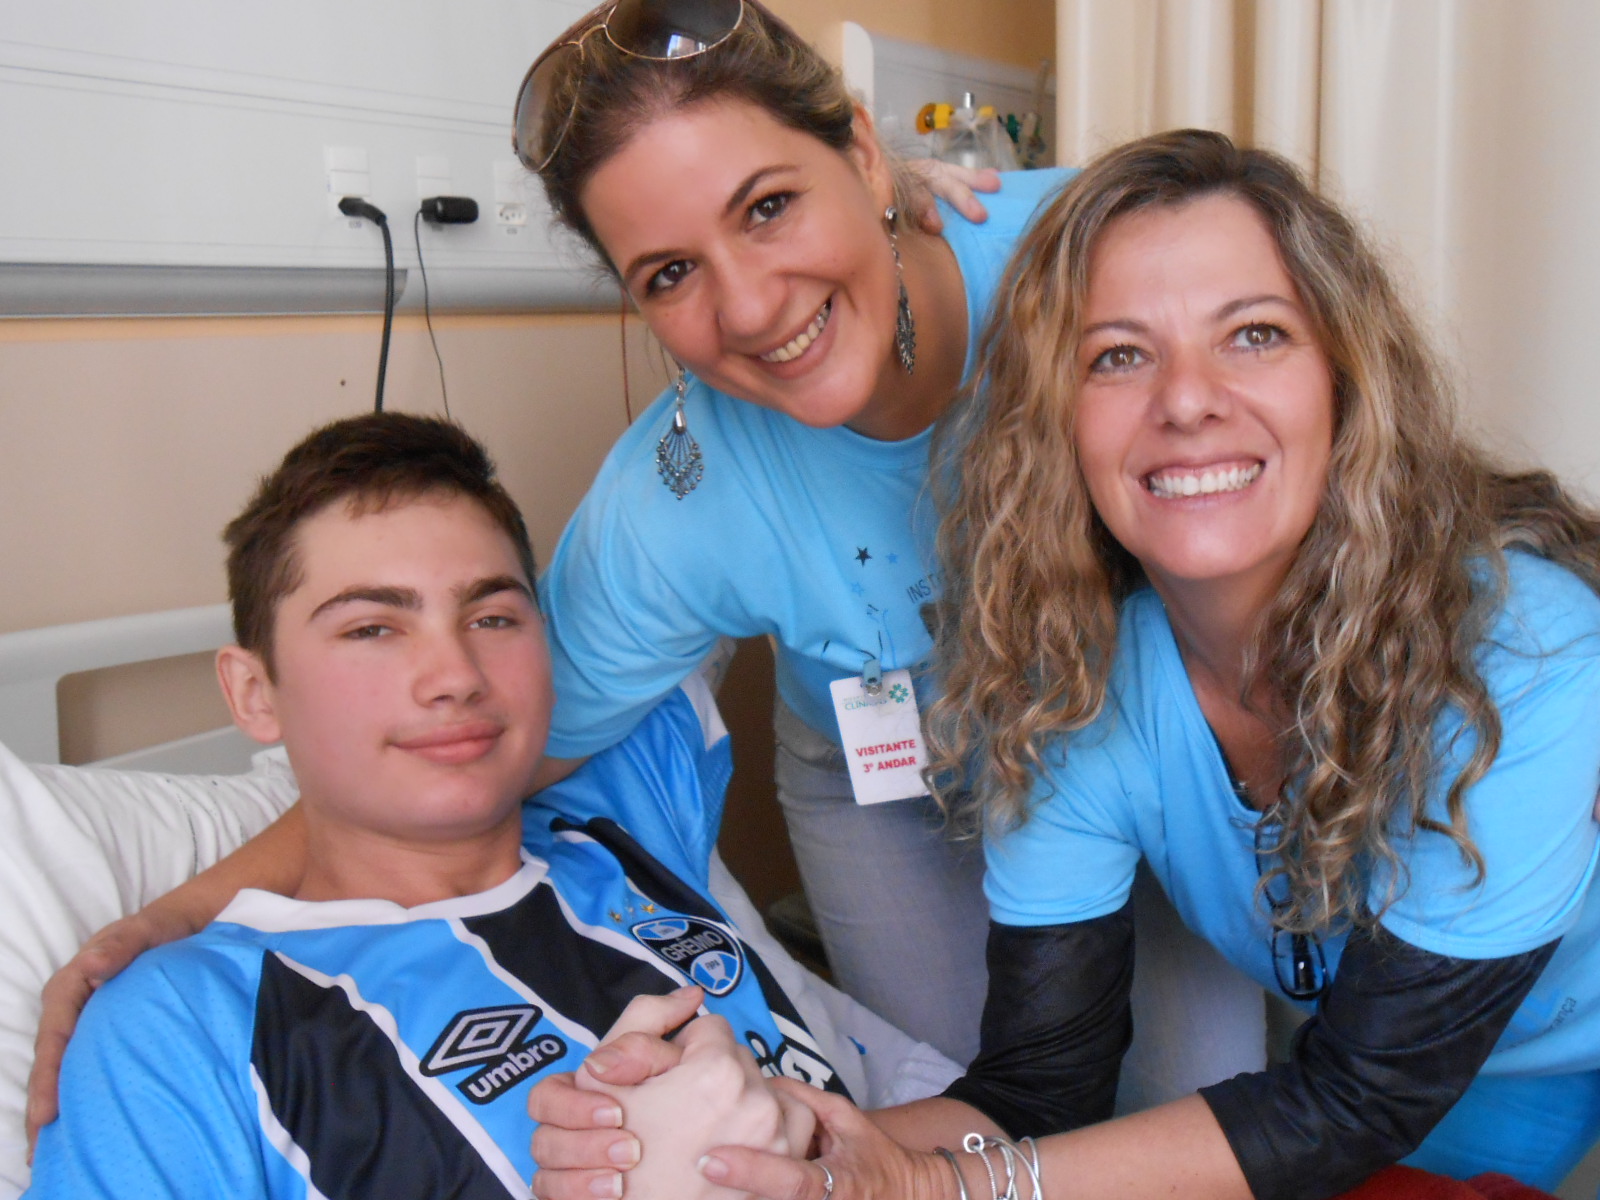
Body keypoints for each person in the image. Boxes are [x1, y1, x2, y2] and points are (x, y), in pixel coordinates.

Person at [26, 0, 1267, 1116]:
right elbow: (498, 728)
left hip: (1139, 728)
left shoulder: (1092, 259)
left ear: (864, 151)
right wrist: (179, 909)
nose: (747, 307)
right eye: (670, 273)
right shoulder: (676, 499)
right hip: (889, 771)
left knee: (1205, 1108)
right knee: (978, 1113)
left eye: (770, 205)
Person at [525, 129, 1600, 1200]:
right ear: (1051, 420)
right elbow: (1040, 1089)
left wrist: (937, 1189)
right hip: (1458, 1074)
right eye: (1118, 356)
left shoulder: (1518, 657)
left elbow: (1352, 1102)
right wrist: (779, 1142)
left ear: (1347, 381)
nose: (1186, 400)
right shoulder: (1073, 690)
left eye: (1255, 335)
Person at [23, 413, 845, 1198]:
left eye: (491, 616)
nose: (455, 673)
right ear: (253, 690)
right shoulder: (187, 1022)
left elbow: (767, 492)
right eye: (372, 629)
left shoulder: (621, 807)